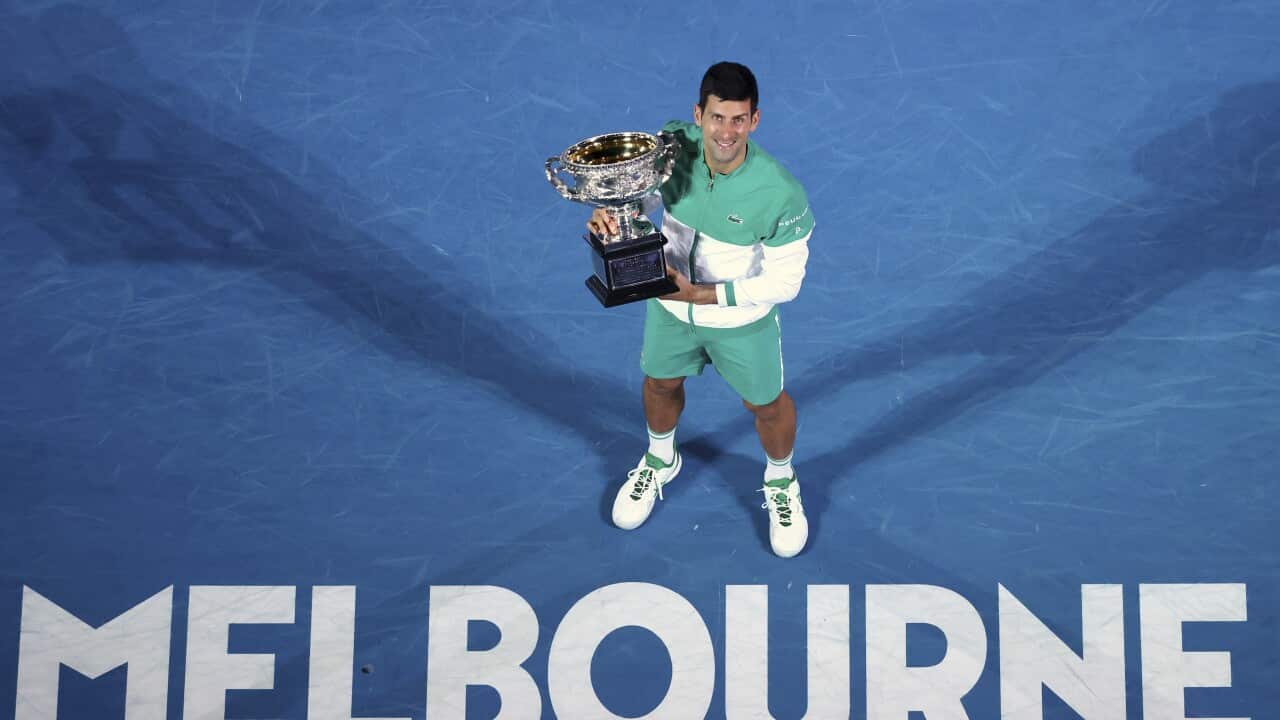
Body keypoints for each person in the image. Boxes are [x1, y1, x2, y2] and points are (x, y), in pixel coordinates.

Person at [587, 62, 815, 558]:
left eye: (738, 120)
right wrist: (614, 211)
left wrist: (704, 296)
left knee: (766, 406)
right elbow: (645, 197)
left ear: (755, 120)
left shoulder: (780, 193)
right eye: (716, 118)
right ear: (698, 114)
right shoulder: (672, 145)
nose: (725, 132)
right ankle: (660, 457)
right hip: (670, 309)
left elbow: (785, 282)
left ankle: (781, 481)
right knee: (660, 384)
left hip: (739, 321)